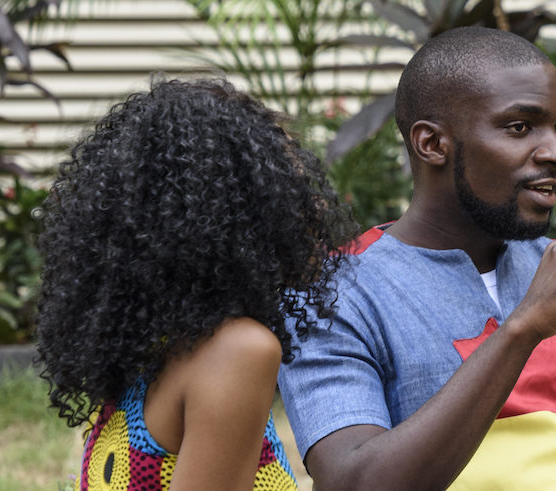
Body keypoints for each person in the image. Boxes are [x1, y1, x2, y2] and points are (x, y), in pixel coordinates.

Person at [275, 26, 556, 490]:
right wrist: (522, 330)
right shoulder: (333, 297)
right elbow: (354, 482)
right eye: (520, 127)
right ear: (432, 144)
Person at [36, 78, 352, 490]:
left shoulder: (136, 349)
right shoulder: (237, 350)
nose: (313, 206)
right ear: (241, 215)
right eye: (287, 188)